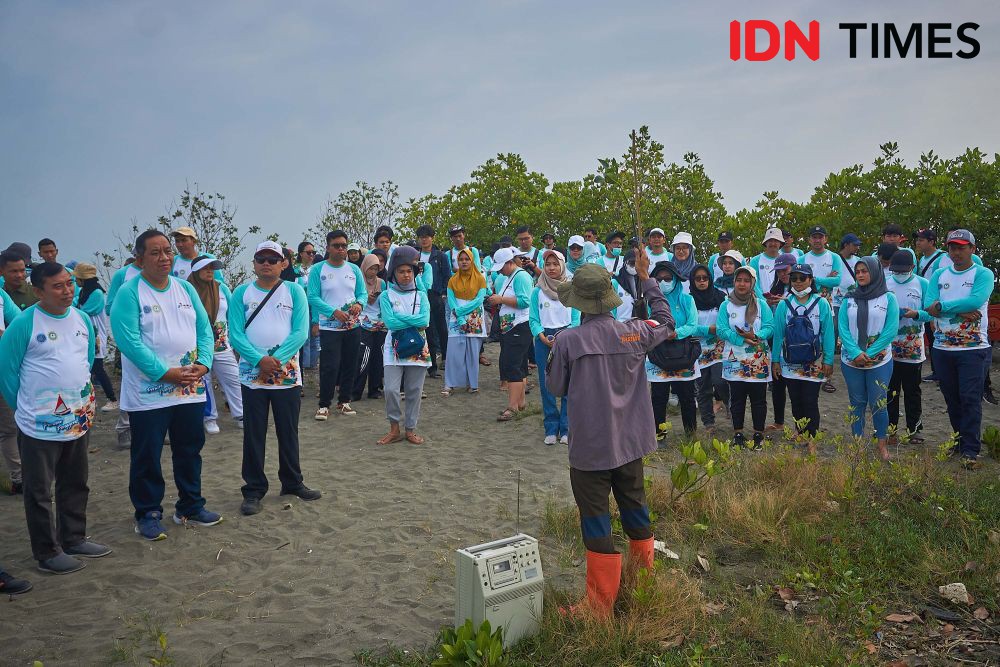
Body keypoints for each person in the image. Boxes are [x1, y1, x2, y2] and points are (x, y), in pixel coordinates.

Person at [545, 251, 676, 617]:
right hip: (631, 442)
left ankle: (599, 605)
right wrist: (648, 279)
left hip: (590, 449)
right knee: (635, 507)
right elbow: (667, 322)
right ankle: (643, 584)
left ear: (579, 303)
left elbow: (556, 387)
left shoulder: (568, 341)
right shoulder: (634, 330)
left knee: (596, 518)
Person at [0, 261, 113, 573]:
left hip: (77, 419)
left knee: (76, 482)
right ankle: (47, 552)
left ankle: (74, 537)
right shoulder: (25, 323)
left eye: (69, 284)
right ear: (39, 291)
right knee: (38, 491)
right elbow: (7, 374)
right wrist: (28, 408)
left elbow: (87, 359)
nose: (67, 291)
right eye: (58, 286)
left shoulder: (81, 319)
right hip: (38, 425)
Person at [111, 229, 221, 540]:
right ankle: (148, 511)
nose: (164, 258)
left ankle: (190, 505)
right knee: (147, 454)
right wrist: (165, 373)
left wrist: (204, 364)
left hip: (188, 390)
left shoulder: (185, 289)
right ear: (139, 259)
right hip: (149, 395)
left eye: (167, 252)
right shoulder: (130, 292)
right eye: (155, 253)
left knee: (189, 449)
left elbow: (204, 330)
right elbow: (128, 341)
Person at [227, 241, 319, 515]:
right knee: (254, 433)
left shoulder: (294, 292)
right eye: (261, 258)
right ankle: (253, 490)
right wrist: (259, 360)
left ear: (284, 263)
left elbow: (300, 332)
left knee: (287, 431)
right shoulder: (241, 293)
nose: (266, 263)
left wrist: (275, 360)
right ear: (254, 263)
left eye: (272, 258)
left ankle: (292, 482)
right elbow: (236, 334)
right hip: (252, 375)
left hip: (286, 374)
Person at [924, 229, 995, 469]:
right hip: (942, 348)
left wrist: (943, 307)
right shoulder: (939, 274)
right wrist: (957, 310)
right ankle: (958, 441)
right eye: (953, 247)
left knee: (970, 399)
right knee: (952, 399)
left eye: (962, 247)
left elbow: (975, 301)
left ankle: (971, 449)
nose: (957, 251)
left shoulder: (983, 274)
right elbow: (927, 305)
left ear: (972, 249)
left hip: (974, 348)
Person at [839, 257, 899, 461]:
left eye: (865, 271)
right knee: (856, 403)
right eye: (858, 272)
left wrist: (870, 354)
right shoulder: (848, 298)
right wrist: (856, 353)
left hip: (879, 361)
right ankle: (858, 444)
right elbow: (843, 329)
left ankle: (882, 445)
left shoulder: (888, 299)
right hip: (851, 361)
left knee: (878, 403)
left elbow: (890, 331)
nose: (861, 275)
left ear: (875, 272)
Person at [770, 265, 835, 443]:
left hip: (813, 360)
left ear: (810, 280)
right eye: (794, 278)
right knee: (795, 399)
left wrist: (828, 360)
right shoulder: (784, 304)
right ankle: (800, 432)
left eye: (802, 278)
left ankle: (811, 437)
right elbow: (778, 335)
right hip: (789, 361)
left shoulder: (821, 303)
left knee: (810, 400)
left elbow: (828, 333)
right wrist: (775, 360)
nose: (798, 282)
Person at [308, 230, 367, 420]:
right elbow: (312, 297)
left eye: (343, 245)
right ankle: (324, 404)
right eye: (336, 245)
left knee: (350, 363)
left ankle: (344, 401)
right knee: (330, 366)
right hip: (329, 326)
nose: (341, 249)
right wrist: (333, 312)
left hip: (352, 326)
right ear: (328, 247)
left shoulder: (354, 270)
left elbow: (362, 293)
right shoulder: (318, 269)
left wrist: (359, 304)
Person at [377, 247, 431, 445]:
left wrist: (400, 316)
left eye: (409, 271)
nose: (406, 275)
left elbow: (425, 321)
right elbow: (390, 324)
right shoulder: (386, 296)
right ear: (394, 273)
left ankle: (410, 429)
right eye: (401, 271)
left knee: (414, 390)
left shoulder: (422, 295)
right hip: (394, 347)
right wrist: (412, 320)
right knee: (390, 389)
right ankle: (394, 428)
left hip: (418, 348)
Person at [717, 266, 774, 450]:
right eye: (739, 280)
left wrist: (756, 336)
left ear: (753, 283)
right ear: (734, 282)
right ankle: (738, 434)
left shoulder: (761, 304)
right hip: (735, 359)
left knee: (758, 399)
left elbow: (769, 326)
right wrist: (741, 337)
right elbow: (721, 329)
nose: (742, 284)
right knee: (738, 398)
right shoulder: (726, 304)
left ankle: (758, 434)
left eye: (746, 280)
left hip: (758, 358)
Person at [188, 256, 243, 434]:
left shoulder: (221, 288)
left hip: (221, 345)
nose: (210, 270)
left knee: (234, 378)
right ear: (195, 271)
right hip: (198, 346)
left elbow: (233, 315)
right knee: (203, 382)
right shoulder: (187, 290)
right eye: (205, 268)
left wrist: (235, 340)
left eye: (212, 267)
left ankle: (242, 414)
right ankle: (209, 418)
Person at [529, 250, 579, 444]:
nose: (551, 268)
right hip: (543, 340)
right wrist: (541, 335)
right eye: (548, 264)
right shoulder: (537, 290)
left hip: (567, 339)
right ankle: (551, 426)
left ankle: (566, 428)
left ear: (562, 265)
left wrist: (563, 337)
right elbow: (533, 318)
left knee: (569, 383)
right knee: (546, 383)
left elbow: (576, 319)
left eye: (555, 264)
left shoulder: (571, 289)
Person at [647, 261, 700, 441]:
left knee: (687, 398)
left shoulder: (687, 299)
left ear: (676, 279)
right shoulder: (651, 301)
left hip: (683, 353)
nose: (663, 282)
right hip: (659, 353)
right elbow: (647, 323)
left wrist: (676, 333)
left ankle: (691, 436)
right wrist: (662, 333)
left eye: (668, 278)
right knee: (658, 398)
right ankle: (659, 436)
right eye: (659, 279)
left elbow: (693, 324)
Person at [0, 250, 39, 495]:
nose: (20, 274)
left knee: (10, 425)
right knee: (8, 427)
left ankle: (19, 476)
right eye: (13, 270)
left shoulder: (3, 295)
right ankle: (18, 477)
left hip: (8, 366)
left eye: (22, 269)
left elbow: (19, 321)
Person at [885, 250, 930, 445]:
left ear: (912, 267)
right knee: (889, 389)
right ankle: (890, 428)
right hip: (888, 346)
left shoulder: (922, 284)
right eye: (896, 270)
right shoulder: (885, 283)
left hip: (913, 347)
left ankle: (914, 429)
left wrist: (916, 314)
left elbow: (931, 312)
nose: (900, 274)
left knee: (912, 389)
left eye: (904, 270)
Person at [489, 247, 533, 421]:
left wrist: (500, 300)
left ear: (509, 263)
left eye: (501, 266)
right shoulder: (511, 277)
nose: (499, 270)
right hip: (512, 327)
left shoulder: (520, 276)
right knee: (519, 365)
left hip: (519, 326)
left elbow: (525, 301)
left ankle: (512, 406)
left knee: (512, 365)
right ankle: (521, 403)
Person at [689, 265, 729, 434]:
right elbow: (690, 326)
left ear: (710, 279)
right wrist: (707, 330)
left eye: (705, 278)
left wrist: (716, 330)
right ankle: (708, 423)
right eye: (698, 278)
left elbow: (726, 323)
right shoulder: (688, 300)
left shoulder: (721, 297)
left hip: (719, 346)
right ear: (693, 281)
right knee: (703, 387)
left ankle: (731, 407)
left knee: (720, 380)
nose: (702, 281)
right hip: (698, 348)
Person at [73, 263, 118, 412]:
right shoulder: (84, 291)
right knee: (86, 368)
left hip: (96, 336)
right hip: (85, 334)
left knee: (98, 368)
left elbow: (85, 311)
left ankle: (112, 399)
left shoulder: (97, 293)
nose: (76, 281)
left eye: (78, 278)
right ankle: (88, 399)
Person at [760, 252, 797, 431]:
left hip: (796, 342)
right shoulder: (775, 289)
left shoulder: (801, 288)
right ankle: (779, 422)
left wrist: (784, 302)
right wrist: (768, 303)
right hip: (775, 341)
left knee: (796, 388)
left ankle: (800, 426)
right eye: (779, 271)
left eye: (786, 270)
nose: (783, 274)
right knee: (777, 385)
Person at [444, 248, 489, 395]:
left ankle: (473, 384)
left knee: (473, 352)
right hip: (457, 318)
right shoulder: (452, 280)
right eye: (461, 259)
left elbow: (479, 300)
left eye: (467, 259)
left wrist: (461, 313)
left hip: (474, 317)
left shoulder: (480, 278)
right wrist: (460, 317)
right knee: (453, 352)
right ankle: (450, 384)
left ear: (472, 260)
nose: (464, 262)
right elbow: (451, 301)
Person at [416, 225, 453, 379]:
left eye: (427, 236)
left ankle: (445, 358)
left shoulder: (440, 256)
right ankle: (432, 366)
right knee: (428, 330)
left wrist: (444, 293)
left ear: (433, 238)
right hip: (421, 297)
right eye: (422, 236)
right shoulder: (415, 256)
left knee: (442, 328)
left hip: (436, 295)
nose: (424, 239)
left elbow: (447, 275)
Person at [353, 252, 387, 401]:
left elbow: (384, 303)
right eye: (370, 268)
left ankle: (374, 389)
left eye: (376, 268)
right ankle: (356, 391)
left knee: (378, 358)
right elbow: (354, 302)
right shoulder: (358, 282)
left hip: (379, 323)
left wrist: (383, 320)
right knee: (362, 358)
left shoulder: (382, 283)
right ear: (365, 267)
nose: (373, 272)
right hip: (362, 322)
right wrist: (367, 298)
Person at [293, 241, 321, 371]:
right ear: (301, 254)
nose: (311, 255)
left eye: (313, 252)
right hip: (300, 308)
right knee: (305, 337)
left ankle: (313, 365)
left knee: (316, 337)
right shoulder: (294, 270)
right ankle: (304, 365)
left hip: (315, 306)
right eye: (308, 252)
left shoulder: (317, 269)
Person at [748, 227, 785, 298]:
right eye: (770, 240)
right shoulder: (755, 260)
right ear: (765, 242)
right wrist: (764, 301)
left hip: (782, 302)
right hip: (762, 303)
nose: (773, 243)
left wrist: (782, 300)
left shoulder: (786, 259)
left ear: (780, 243)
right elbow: (754, 283)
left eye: (776, 240)